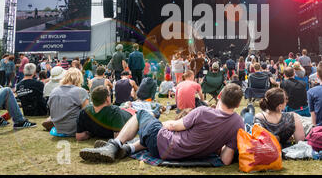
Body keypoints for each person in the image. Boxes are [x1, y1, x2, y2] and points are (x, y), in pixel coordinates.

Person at [79, 83, 245, 164]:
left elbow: (173, 126)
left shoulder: (203, 111)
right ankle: (126, 149)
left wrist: (163, 124)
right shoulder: (238, 123)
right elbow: (225, 160)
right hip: (181, 154)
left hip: (164, 146)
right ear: (238, 104)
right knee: (151, 134)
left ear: (219, 95)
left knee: (143, 115)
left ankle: (113, 146)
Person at [45, 68, 90, 136]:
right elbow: (87, 112)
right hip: (75, 128)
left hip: (58, 128)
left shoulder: (54, 91)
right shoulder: (80, 91)